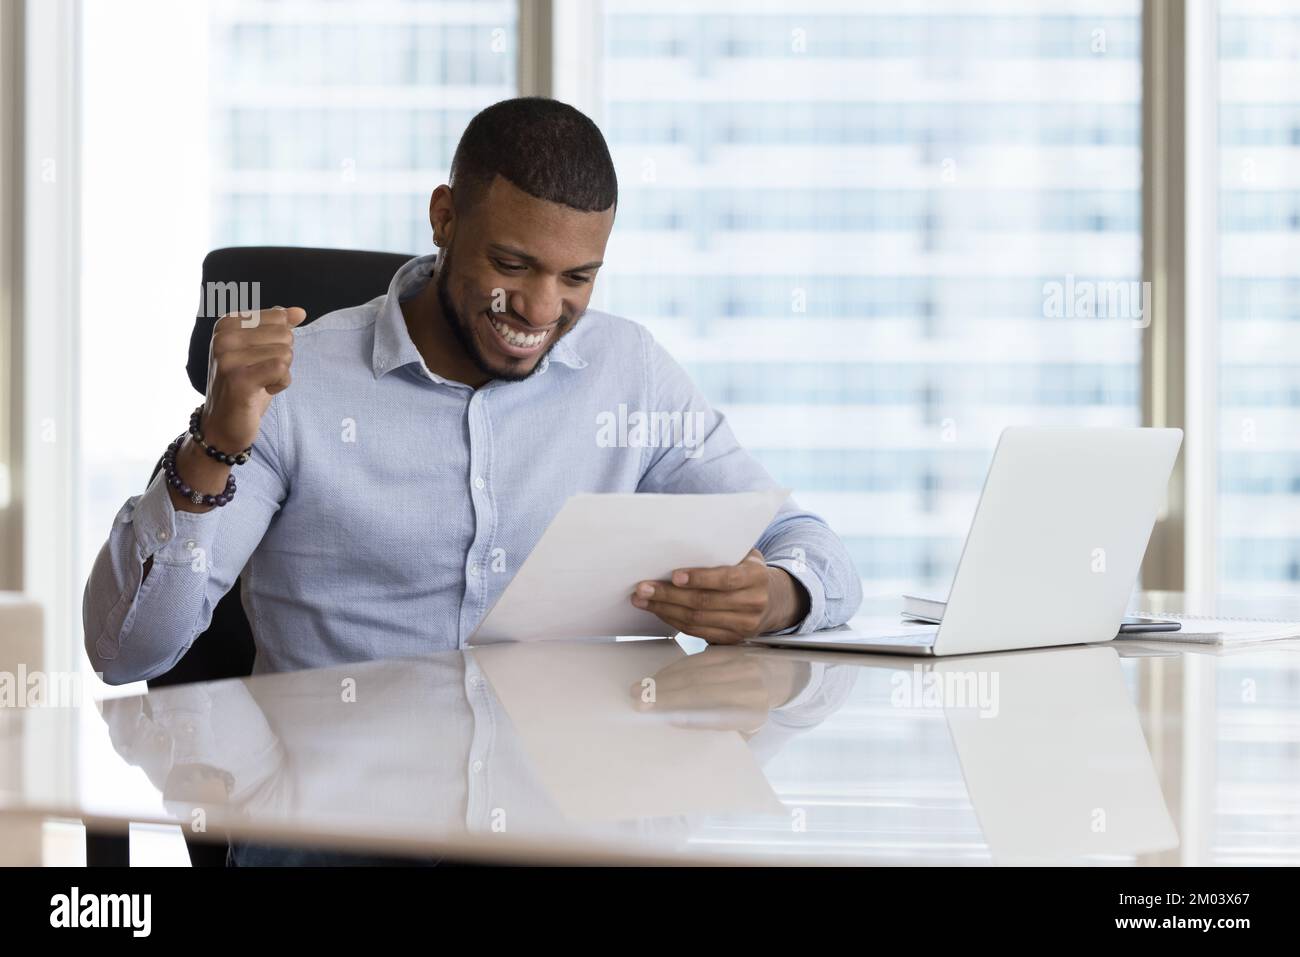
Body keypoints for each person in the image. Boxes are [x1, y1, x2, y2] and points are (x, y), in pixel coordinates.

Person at [83, 97, 862, 684]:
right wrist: (215, 446)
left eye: (578, 276)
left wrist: (778, 596)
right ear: (444, 217)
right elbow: (125, 653)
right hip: (345, 826)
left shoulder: (629, 370)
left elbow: (813, 547)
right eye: (514, 266)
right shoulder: (299, 386)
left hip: (569, 824)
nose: (542, 309)